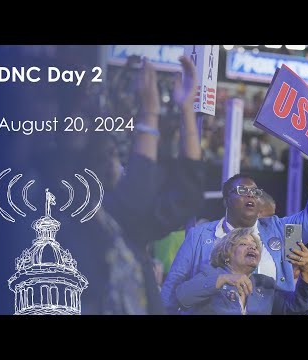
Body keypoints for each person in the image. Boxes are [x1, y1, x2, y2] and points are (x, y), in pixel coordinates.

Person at [47, 55, 204, 314]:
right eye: (108, 154)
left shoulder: (119, 221)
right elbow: (136, 198)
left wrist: (187, 111)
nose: (116, 163)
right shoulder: (73, 217)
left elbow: (186, 195)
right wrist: (149, 112)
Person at [162, 143, 308, 314]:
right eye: (242, 190)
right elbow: (173, 288)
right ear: (226, 200)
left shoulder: (281, 230)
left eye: (255, 192)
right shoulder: (199, 235)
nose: (250, 194)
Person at [175, 228, 308, 314]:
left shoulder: (264, 284)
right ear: (226, 254)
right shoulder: (210, 274)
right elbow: (182, 297)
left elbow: (295, 309)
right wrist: (224, 279)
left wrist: (306, 271)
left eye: (255, 246)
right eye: (243, 244)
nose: (252, 248)